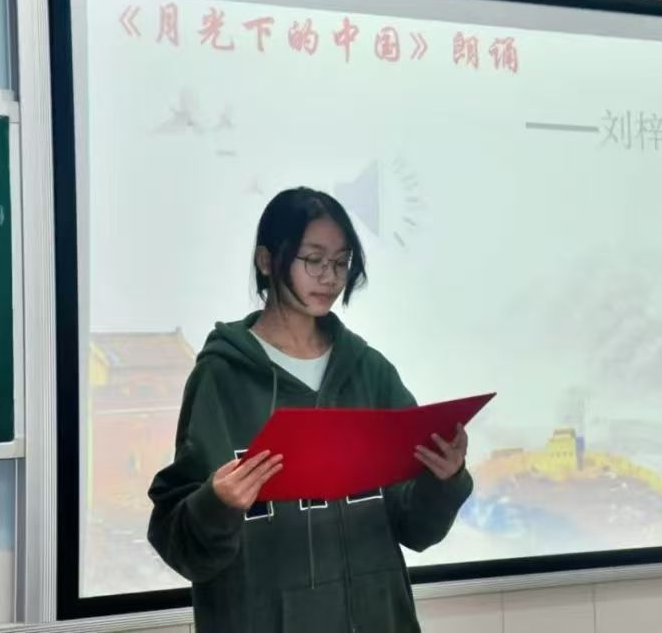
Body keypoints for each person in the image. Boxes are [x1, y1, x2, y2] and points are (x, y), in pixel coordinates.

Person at [147, 186, 473, 632]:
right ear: (266, 261)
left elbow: (417, 530)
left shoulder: (370, 372)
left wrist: (444, 480)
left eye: (340, 262)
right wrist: (216, 504)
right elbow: (180, 545)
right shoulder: (220, 377)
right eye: (313, 259)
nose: (329, 277)